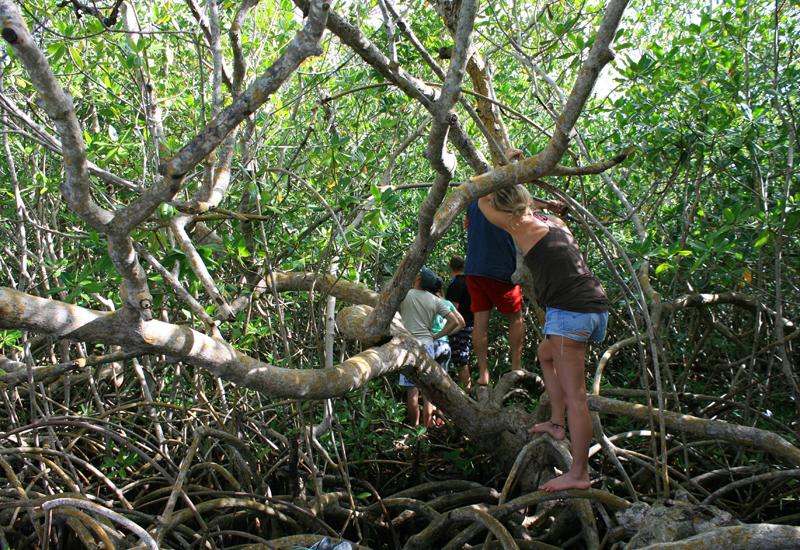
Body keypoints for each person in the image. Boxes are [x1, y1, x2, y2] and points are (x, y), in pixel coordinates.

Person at [478, 185, 608, 492]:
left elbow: (483, 199)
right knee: (545, 354)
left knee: (577, 397)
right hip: (596, 308)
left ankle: (579, 473)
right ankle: (556, 423)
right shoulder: (554, 222)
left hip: (570, 314)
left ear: (509, 211)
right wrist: (516, 174)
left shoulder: (517, 224)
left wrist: (507, 168)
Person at [464, 200, 524, 386]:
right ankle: (516, 367)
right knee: (515, 318)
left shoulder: (474, 201)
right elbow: (525, 211)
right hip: (500, 269)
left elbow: (469, 227)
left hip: (474, 268)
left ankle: (483, 374)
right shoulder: (506, 195)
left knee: (480, 321)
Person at [399, 267, 465, 428]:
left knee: (412, 391)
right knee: (430, 390)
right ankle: (429, 426)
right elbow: (456, 322)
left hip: (409, 346)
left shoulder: (405, 294)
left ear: (419, 280)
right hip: (429, 345)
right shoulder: (436, 300)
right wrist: (436, 336)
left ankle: (414, 429)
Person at [445, 255, 474, 390]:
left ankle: (467, 392)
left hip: (460, 326)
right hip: (473, 323)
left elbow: (453, 308)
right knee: (463, 358)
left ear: (451, 267)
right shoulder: (471, 282)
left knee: (461, 361)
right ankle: (467, 389)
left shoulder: (456, 284)